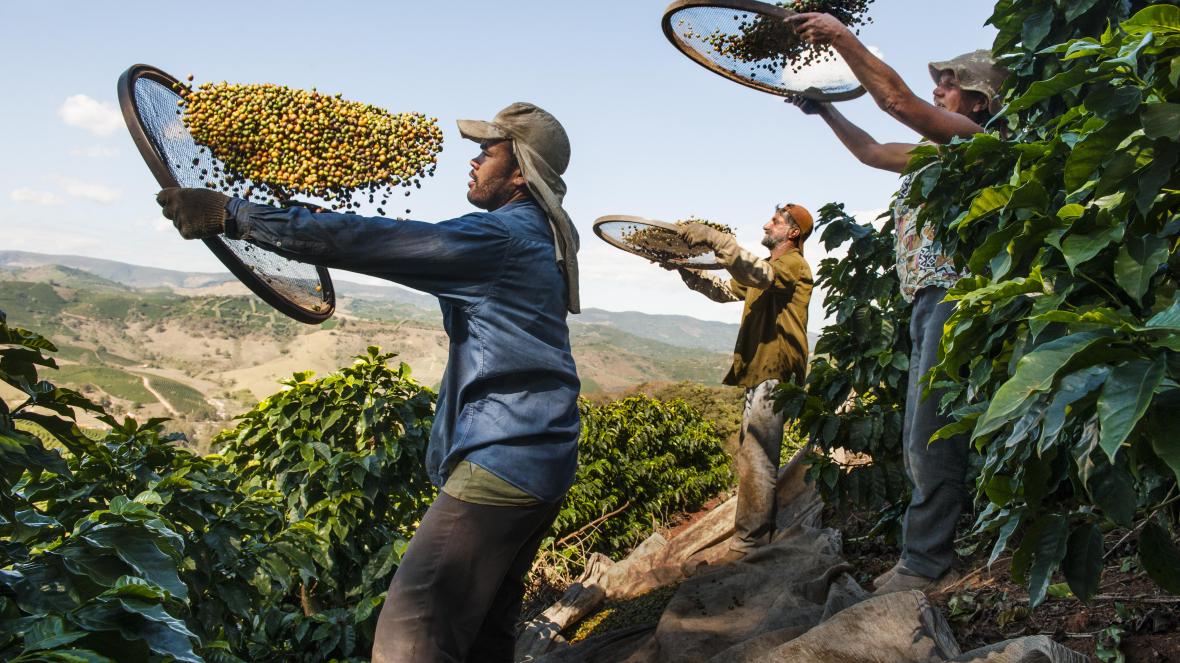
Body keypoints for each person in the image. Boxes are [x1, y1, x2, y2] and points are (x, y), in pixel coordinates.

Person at [157, 102, 581, 662]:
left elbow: (375, 241)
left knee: (412, 637)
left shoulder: (499, 237)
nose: (474, 162)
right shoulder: (538, 235)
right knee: (483, 634)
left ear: (521, 172)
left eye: (487, 151)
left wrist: (233, 214)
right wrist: (305, 222)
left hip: (504, 461)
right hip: (546, 455)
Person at [786, 11, 1008, 594]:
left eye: (951, 85)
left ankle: (926, 563)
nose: (938, 90)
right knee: (920, 432)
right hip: (927, 300)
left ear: (980, 102)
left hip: (957, 295)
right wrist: (826, 110)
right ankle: (922, 555)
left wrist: (839, 35)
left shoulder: (980, 143)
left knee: (932, 433)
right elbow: (871, 151)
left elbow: (899, 104)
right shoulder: (939, 155)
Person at [670, 205, 813, 564]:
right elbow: (723, 290)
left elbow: (760, 274)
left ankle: (750, 544)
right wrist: (686, 270)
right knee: (750, 456)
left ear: (793, 233)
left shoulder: (792, 265)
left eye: (775, 222)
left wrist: (716, 239)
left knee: (758, 458)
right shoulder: (764, 267)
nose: (766, 224)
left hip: (775, 370)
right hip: (759, 369)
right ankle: (751, 537)